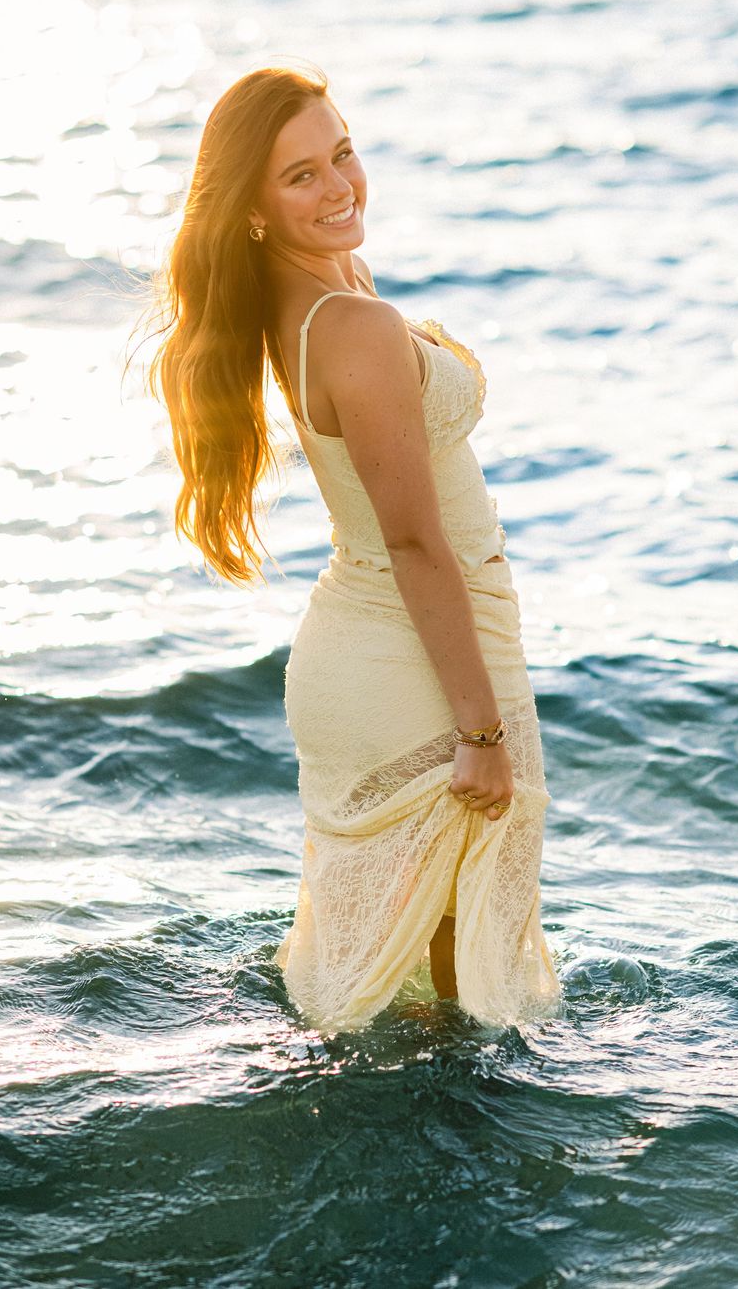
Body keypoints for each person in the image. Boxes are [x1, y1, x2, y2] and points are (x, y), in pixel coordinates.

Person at [136, 61, 563, 1036]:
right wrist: (481, 733)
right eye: (301, 177)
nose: (339, 188)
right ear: (250, 209)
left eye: (342, 154)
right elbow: (413, 542)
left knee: (420, 968)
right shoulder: (350, 322)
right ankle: (451, 1169)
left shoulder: (330, 294)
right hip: (409, 654)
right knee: (458, 997)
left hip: (386, 643)